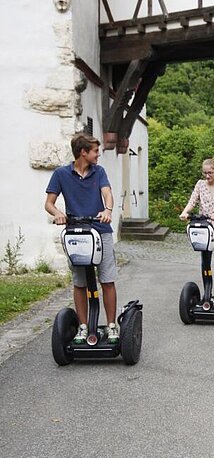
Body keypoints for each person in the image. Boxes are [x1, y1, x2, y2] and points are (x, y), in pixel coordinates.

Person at [45, 133, 120, 344]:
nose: (98, 155)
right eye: (95, 151)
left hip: (100, 231)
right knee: (79, 283)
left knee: (107, 279)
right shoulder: (61, 174)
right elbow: (49, 203)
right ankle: (84, 326)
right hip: (76, 233)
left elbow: (107, 193)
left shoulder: (99, 172)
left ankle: (112, 326)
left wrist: (108, 210)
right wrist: (58, 213)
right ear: (83, 152)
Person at [180, 158, 214, 297]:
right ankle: (207, 291)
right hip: (205, 228)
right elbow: (192, 201)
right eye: (205, 173)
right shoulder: (200, 185)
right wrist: (185, 212)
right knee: (205, 262)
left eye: (210, 172)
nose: (207, 176)